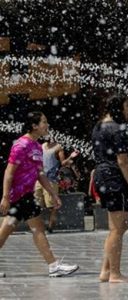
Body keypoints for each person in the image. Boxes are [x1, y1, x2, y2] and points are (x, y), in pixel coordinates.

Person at [0, 111, 79, 277]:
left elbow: (40, 173)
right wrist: (6, 197)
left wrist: (53, 194)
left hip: (26, 195)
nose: (47, 125)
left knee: (23, 229)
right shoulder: (21, 145)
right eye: (44, 122)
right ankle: (53, 265)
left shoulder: (37, 146)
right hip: (17, 195)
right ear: (34, 125)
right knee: (34, 229)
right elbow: (9, 172)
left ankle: (53, 265)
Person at [92, 94, 128, 283]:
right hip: (114, 178)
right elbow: (123, 160)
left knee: (120, 227)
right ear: (118, 108)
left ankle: (106, 271)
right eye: (126, 106)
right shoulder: (116, 129)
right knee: (116, 229)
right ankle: (115, 274)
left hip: (102, 176)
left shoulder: (98, 127)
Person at [35, 136, 79, 233]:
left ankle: (50, 228)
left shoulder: (58, 147)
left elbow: (63, 163)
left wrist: (71, 156)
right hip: (39, 178)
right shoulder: (41, 146)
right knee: (37, 204)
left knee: (52, 206)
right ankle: (39, 227)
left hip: (51, 180)